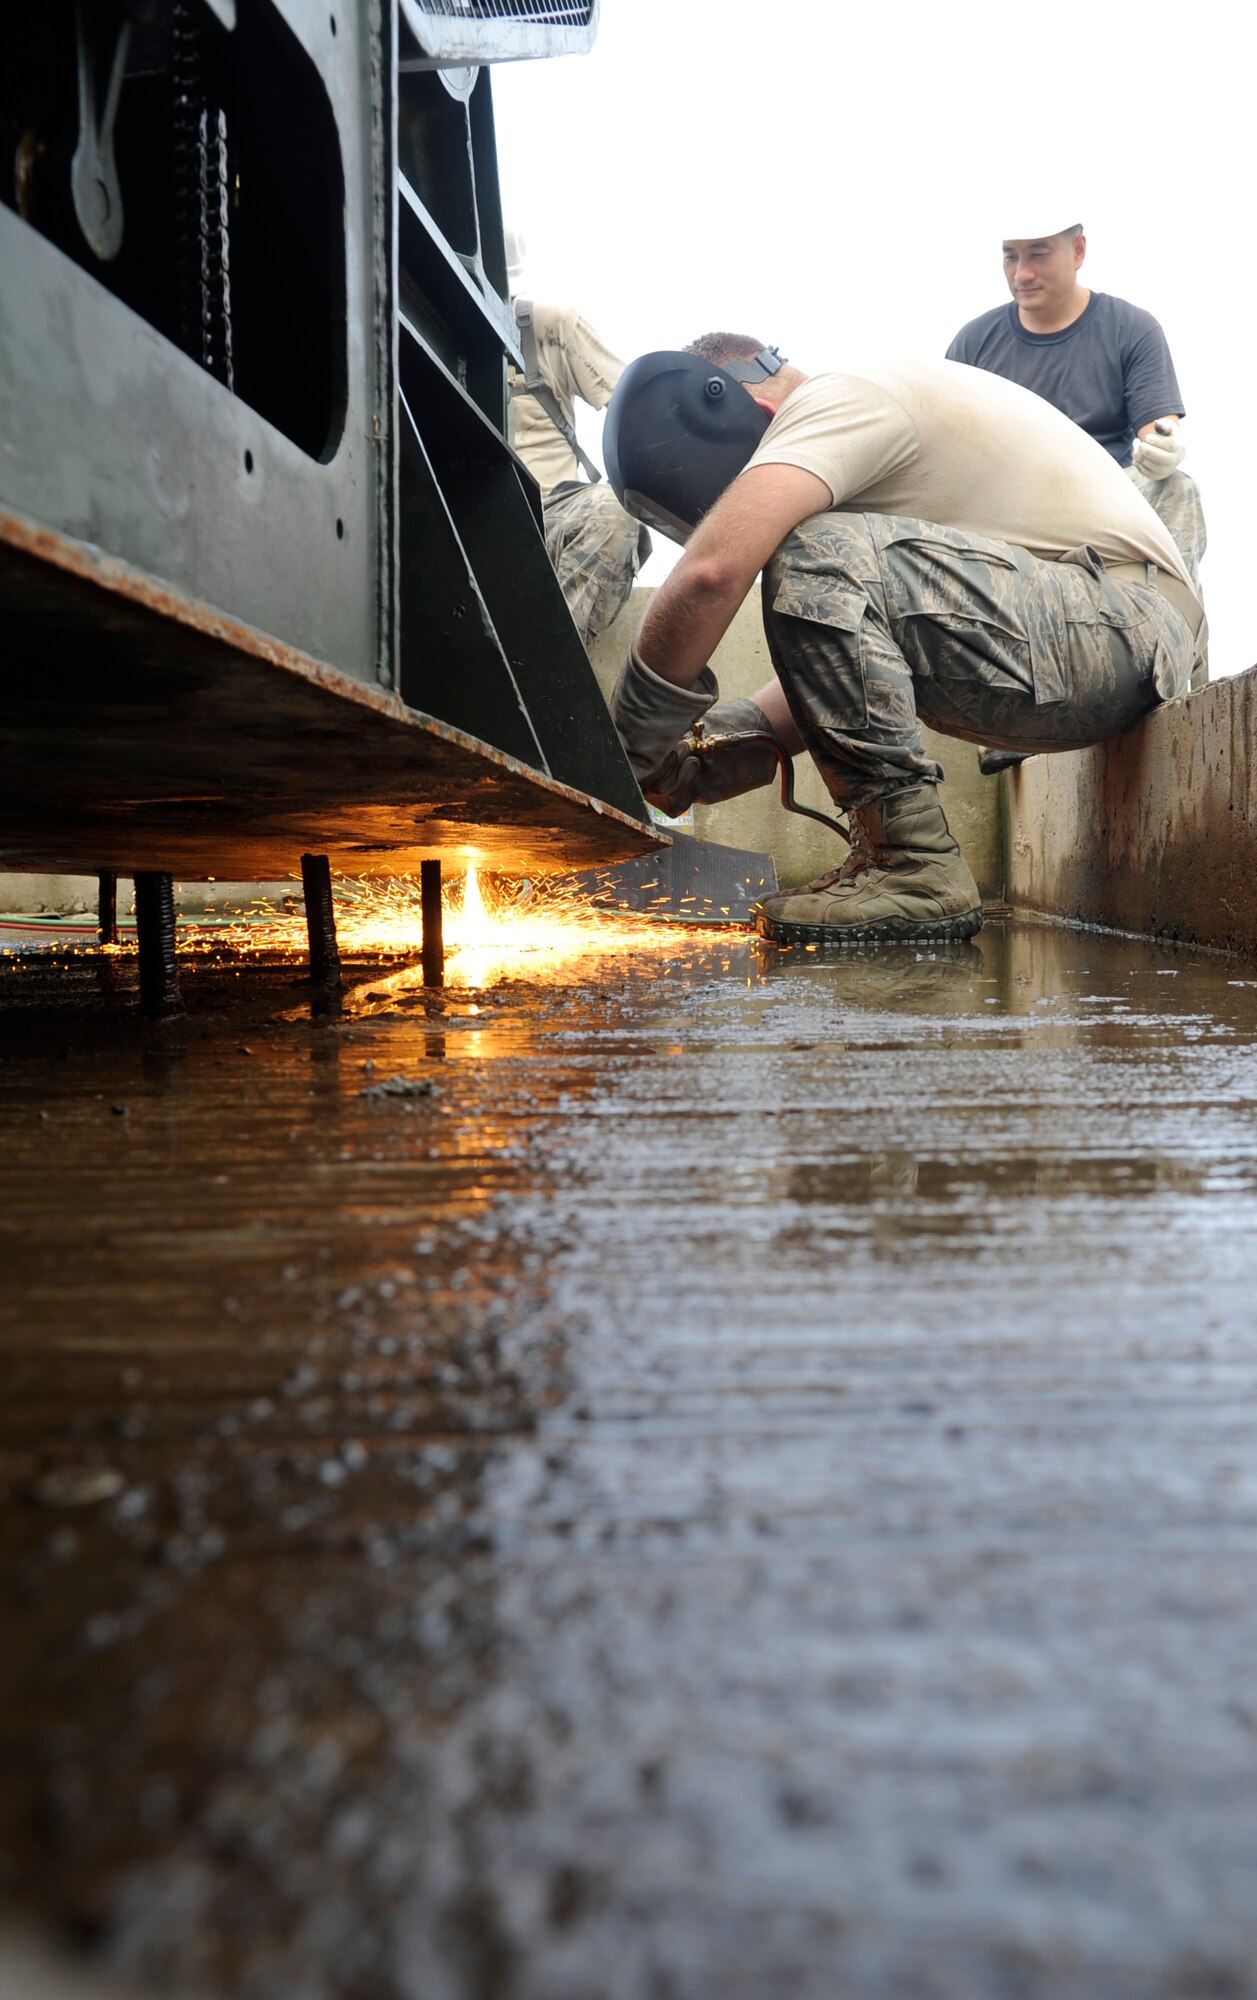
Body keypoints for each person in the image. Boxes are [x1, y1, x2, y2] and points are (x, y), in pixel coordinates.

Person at [602, 337, 1205, 947]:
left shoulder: (836, 398)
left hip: (1123, 622)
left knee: (809, 551)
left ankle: (913, 869)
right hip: (1096, 641)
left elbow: (710, 574)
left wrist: (623, 752)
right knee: (820, 558)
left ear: (748, 411)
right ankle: (898, 861)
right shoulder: (865, 453)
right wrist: (725, 746)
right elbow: (857, 643)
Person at [947, 213, 1207, 734]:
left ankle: (1183, 680)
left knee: (1177, 489)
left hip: (1107, 498)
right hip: (1012, 515)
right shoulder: (974, 344)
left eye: (1038, 253)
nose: (1022, 272)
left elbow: (1159, 428)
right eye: (1010, 255)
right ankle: (1005, 720)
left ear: (1078, 250)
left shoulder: (1130, 327)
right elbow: (946, 444)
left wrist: (1163, 446)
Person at [504, 228, 650, 646]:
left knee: (616, 512)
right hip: (439, 511)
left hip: (545, 510)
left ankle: (550, 662)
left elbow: (636, 410)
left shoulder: (548, 326)